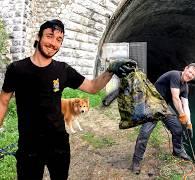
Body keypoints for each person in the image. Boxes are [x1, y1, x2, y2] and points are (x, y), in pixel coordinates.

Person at [0, 19, 136, 180]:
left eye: (59, 40)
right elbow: (3, 101)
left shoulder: (63, 70)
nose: (53, 43)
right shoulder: (16, 69)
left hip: (58, 144)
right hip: (29, 146)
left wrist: (110, 70)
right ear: (38, 37)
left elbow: (92, 87)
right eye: (49, 36)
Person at [131, 63, 195, 174]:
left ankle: (177, 151)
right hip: (153, 104)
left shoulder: (185, 87)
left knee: (177, 129)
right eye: (190, 71)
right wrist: (182, 116)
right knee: (145, 133)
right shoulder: (175, 75)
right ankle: (136, 162)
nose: (190, 75)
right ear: (185, 68)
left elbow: (186, 106)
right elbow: (175, 98)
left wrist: (189, 124)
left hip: (164, 106)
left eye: (193, 75)